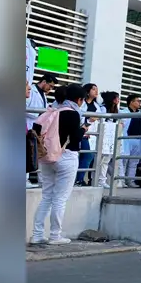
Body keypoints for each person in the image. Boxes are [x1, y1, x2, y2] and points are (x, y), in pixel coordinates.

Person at [30, 83, 86, 245]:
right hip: (66, 157)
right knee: (60, 199)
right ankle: (55, 236)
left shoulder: (51, 111)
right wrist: (84, 128)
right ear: (79, 99)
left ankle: (37, 235)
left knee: (46, 196)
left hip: (47, 157)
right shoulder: (73, 114)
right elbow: (75, 138)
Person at [75, 83, 103, 186]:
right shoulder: (81, 103)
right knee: (83, 156)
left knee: (87, 157)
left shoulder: (96, 106)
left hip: (91, 134)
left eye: (97, 89)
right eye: (93, 89)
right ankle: (78, 179)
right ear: (87, 91)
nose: (96, 92)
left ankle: (80, 179)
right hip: (81, 133)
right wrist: (89, 120)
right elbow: (79, 116)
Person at [120, 94, 141, 188]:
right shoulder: (123, 112)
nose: (139, 103)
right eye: (137, 101)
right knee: (124, 161)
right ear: (131, 102)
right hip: (127, 139)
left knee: (134, 162)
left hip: (138, 140)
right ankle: (121, 180)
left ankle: (130, 181)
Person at [96, 91, 120, 188]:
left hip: (110, 138)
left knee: (106, 159)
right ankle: (97, 180)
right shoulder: (103, 108)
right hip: (103, 137)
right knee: (100, 159)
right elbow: (101, 122)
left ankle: (102, 180)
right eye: (116, 98)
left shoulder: (115, 110)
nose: (118, 100)